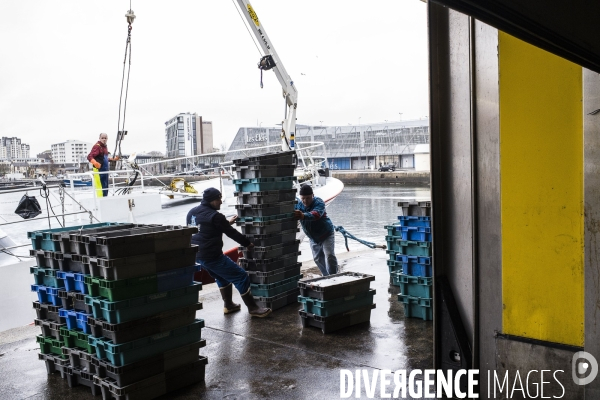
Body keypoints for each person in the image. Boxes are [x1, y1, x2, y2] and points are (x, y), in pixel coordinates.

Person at [186, 187, 271, 318]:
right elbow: (232, 233)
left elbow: (203, 228)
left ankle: (229, 305)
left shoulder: (192, 212)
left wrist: (226, 223)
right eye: (219, 199)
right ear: (212, 200)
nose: (221, 202)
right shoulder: (216, 216)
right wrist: (247, 244)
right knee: (241, 276)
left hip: (197, 255)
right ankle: (253, 308)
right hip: (212, 256)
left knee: (221, 277)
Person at [294, 185, 339, 276]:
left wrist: (303, 216)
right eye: (303, 198)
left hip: (326, 234)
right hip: (313, 238)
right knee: (317, 259)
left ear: (313, 195)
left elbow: (316, 214)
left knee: (329, 256)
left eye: (308, 198)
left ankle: (334, 276)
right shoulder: (298, 204)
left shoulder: (319, 202)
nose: (305, 201)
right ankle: (326, 276)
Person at [87, 133, 118, 197]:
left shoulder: (104, 147)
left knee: (105, 187)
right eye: (102, 138)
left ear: (107, 139)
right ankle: (100, 201)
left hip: (105, 170)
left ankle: (104, 200)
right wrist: (95, 163)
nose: (104, 139)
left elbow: (104, 159)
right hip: (99, 170)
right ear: (99, 138)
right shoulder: (97, 146)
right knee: (100, 188)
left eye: (105, 138)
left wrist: (113, 159)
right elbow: (89, 156)